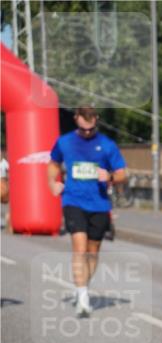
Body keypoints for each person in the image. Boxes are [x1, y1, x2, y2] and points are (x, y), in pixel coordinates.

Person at [47, 106, 127, 317]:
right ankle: (83, 299)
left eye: (91, 130)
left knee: (93, 252)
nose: (87, 133)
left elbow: (121, 174)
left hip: (99, 204)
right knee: (79, 247)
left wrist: (109, 177)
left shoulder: (107, 145)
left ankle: (82, 287)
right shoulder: (64, 142)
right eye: (83, 129)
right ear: (76, 120)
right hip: (73, 200)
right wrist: (51, 183)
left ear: (96, 122)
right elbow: (53, 163)